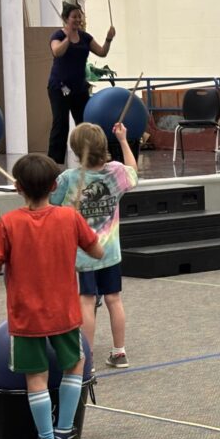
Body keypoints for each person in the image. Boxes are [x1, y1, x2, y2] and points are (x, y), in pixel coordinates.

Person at [0, 153, 103, 439]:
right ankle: (67, 436)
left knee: (35, 377)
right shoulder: (69, 217)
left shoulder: (9, 223)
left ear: (18, 188)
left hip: (26, 316)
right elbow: (98, 250)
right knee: (74, 364)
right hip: (64, 311)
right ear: (54, 185)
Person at [51, 122, 138, 367]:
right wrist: (123, 140)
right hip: (109, 253)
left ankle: (86, 356)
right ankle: (119, 351)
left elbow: (48, 199)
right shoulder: (116, 172)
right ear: (103, 146)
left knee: (86, 301)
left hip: (82, 255)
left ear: (77, 151)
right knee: (114, 299)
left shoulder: (69, 179)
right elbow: (134, 171)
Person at [48, 2, 115, 164]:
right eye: (74, 17)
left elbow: (102, 52)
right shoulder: (57, 36)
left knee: (85, 123)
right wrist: (68, 38)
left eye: (80, 16)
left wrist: (108, 39)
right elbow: (57, 52)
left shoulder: (85, 37)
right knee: (60, 124)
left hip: (79, 88)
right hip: (59, 87)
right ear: (66, 19)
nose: (78, 19)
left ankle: (89, 157)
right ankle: (54, 161)